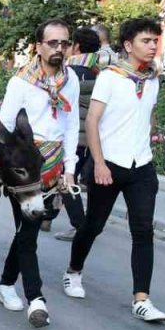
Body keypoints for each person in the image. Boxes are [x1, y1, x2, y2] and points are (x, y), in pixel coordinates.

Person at [63, 18, 165, 324]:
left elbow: (149, 118)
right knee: (93, 225)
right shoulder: (110, 77)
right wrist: (98, 163)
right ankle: (73, 272)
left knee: (143, 231)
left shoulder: (152, 79)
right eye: (146, 41)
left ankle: (142, 299)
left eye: (154, 42)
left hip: (141, 167)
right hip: (108, 165)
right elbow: (93, 120)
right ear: (128, 45)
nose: (151, 47)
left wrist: (144, 147)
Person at [0, 20, 80, 327]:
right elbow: (4, 129)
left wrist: (70, 169)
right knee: (29, 233)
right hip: (26, 168)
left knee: (26, 232)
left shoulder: (71, 81)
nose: (59, 49)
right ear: (38, 46)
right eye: (53, 43)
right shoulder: (21, 83)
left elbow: (71, 125)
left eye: (64, 43)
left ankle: (5, 283)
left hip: (55, 166)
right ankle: (36, 300)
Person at [53, 27, 101, 241]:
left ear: (77, 47)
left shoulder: (67, 73)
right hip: (91, 138)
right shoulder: (101, 73)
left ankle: (80, 226)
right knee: (66, 179)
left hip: (69, 136)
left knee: (65, 180)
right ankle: (48, 214)